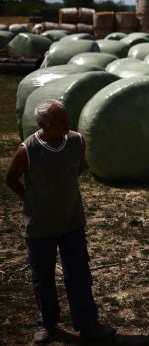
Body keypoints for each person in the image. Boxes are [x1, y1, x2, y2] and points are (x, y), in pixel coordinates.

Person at [4, 100, 116, 344]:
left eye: (67, 119)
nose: (67, 124)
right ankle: (47, 323)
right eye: (60, 122)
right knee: (43, 277)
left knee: (79, 274)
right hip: (40, 226)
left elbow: (77, 169)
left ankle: (87, 323)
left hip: (72, 221)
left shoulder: (76, 141)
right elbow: (10, 178)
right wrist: (30, 199)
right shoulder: (29, 149)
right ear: (43, 125)